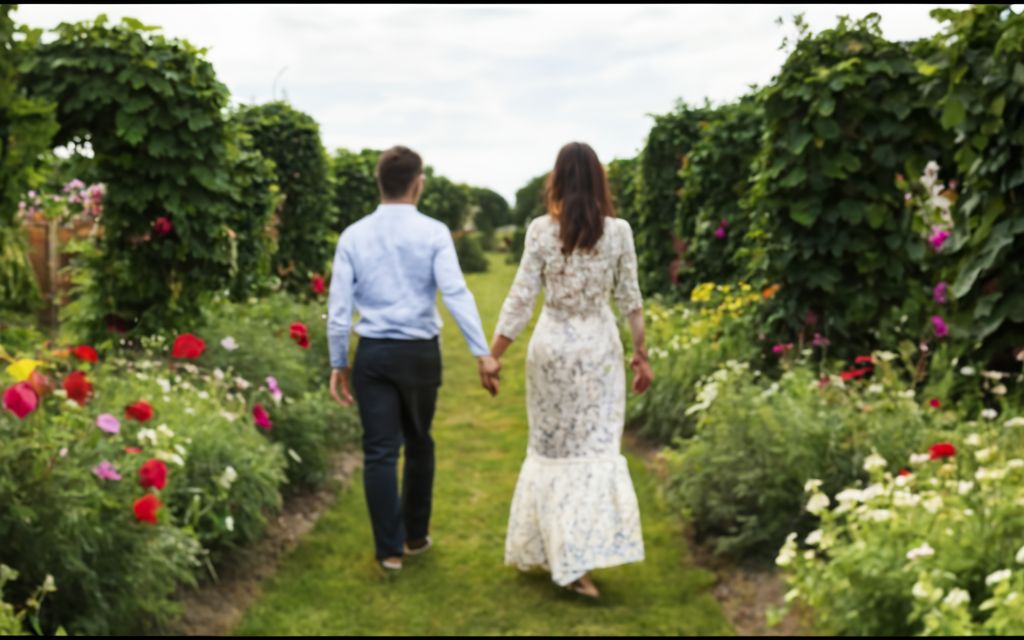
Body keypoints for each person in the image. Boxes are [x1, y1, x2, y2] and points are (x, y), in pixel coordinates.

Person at [487, 141, 654, 599]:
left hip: (553, 353)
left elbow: (522, 298)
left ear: (557, 180)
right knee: (593, 453)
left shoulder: (542, 230)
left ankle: (563, 554)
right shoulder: (619, 232)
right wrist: (640, 353)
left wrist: (495, 353)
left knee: (554, 454)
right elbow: (630, 300)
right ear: (599, 180)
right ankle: (575, 561)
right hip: (598, 353)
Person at [327, 145, 501, 572]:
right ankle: (415, 536)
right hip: (420, 355)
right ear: (417, 183)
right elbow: (455, 292)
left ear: (379, 183)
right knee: (419, 442)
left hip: (374, 354)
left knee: (380, 451)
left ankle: (389, 551)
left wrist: (338, 362)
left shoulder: (353, 235)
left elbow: (338, 309)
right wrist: (482, 352)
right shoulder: (434, 232)